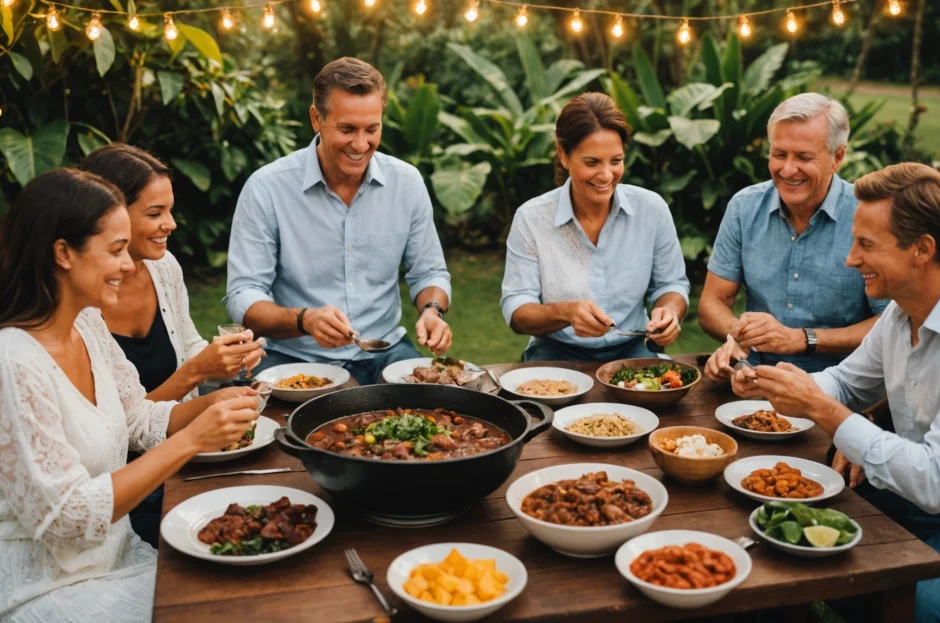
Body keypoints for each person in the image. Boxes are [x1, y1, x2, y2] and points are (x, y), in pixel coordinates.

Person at [0, 169, 260, 622]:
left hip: (120, 558)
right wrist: (192, 439)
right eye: (116, 250)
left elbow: (136, 416)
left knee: (250, 586)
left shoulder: (86, 322)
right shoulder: (14, 362)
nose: (129, 264)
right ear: (63, 253)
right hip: (48, 587)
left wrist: (214, 406)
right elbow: (68, 519)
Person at [730, 163, 940, 621]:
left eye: (866, 244)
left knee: (909, 606)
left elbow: (933, 480)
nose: (850, 259)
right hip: (908, 499)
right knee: (782, 526)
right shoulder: (900, 313)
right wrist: (777, 384)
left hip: (928, 495)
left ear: (922, 249)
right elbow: (846, 382)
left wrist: (828, 414)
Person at [77, 144, 265, 548]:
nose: (171, 224)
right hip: (131, 483)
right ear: (108, 214)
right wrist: (199, 372)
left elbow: (188, 341)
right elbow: (124, 429)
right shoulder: (80, 306)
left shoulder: (164, 267)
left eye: (169, 210)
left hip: (186, 452)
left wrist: (226, 356)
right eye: (155, 213)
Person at [225, 58, 453, 386]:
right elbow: (243, 295)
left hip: (383, 352)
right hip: (293, 357)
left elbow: (429, 272)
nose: (361, 145)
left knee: (436, 415)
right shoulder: (267, 188)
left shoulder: (407, 182)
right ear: (316, 118)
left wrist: (432, 310)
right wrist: (305, 320)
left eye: (371, 129)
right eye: (347, 130)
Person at [701, 93, 888, 382]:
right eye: (779, 155)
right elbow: (711, 304)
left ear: (837, 157)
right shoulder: (744, 207)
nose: (787, 170)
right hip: (754, 380)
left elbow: (891, 325)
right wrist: (740, 336)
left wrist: (803, 339)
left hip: (843, 385)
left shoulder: (868, 217)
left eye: (803, 157)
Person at [500, 92, 689, 361]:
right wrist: (565, 313)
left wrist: (669, 311)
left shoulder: (652, 209)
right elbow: (517, 311)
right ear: (563, 155)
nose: (606, 175)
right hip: (555, 352)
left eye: (616, 161)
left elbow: (671, 284)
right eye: (592, 162)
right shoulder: (532, 218)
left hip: (633, 347)